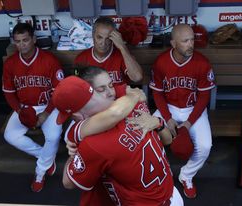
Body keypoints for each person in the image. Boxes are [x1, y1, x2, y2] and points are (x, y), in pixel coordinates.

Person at [52, 75, 183, 206]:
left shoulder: (92, 145)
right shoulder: (135, 103)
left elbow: (68, 183)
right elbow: (128, 98)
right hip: (172, 194)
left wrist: (73, 154)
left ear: (76, 115)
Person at [149, 24, 216, 199]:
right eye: (185, 41)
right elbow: (157, 93)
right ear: (173, 43)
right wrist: (168, 118)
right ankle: (162, 172)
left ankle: (186, 176)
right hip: (169, 108)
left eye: (192, 39)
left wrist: (188, 123)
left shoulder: (202, 63)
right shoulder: (161, 62)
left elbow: (203, 98)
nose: (190, 44)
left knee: (205, 146)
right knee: (146, 138)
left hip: (193, 109)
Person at [2, 23, 64, 192]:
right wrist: (20, 111)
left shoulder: (49, 60)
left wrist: (46, 113)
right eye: (18, 41)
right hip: (24, 107)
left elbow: (59, 93)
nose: (22, 45)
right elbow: (8, 93)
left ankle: (40, 173)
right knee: (10, 135)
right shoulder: (10, 63)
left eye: (25, 40)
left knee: (53, 136)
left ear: (34, 40)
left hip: (49, 106)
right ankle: (45, 157)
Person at [74, 16, 143, 85]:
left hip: (120, 95)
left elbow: (137, 77)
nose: (103, 43)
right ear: (93, 35)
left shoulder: (122, 55)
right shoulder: (82, 58)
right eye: (99, 37)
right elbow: (78, 88)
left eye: (108, 38)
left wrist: (122, 46)